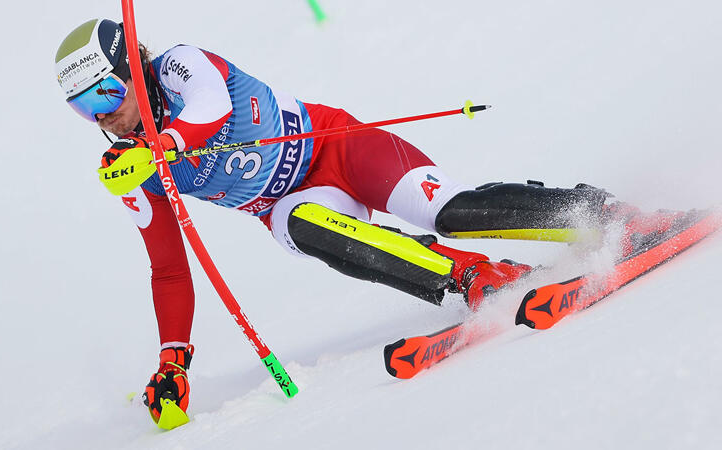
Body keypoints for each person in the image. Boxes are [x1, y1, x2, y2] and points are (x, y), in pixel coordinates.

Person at [54, 19, 679, 425]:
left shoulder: (179, 66)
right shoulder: (128, 169)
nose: (105, 119)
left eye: (107, 94)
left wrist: (166, 143)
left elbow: (213, 111)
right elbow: (167, 266)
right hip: (290, 203)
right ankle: (475, 278)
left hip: (335, 145)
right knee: (301, 224)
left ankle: (600, 215)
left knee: (449, 210)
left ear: (134, 67)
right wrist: (173, 362)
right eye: (85, 110)